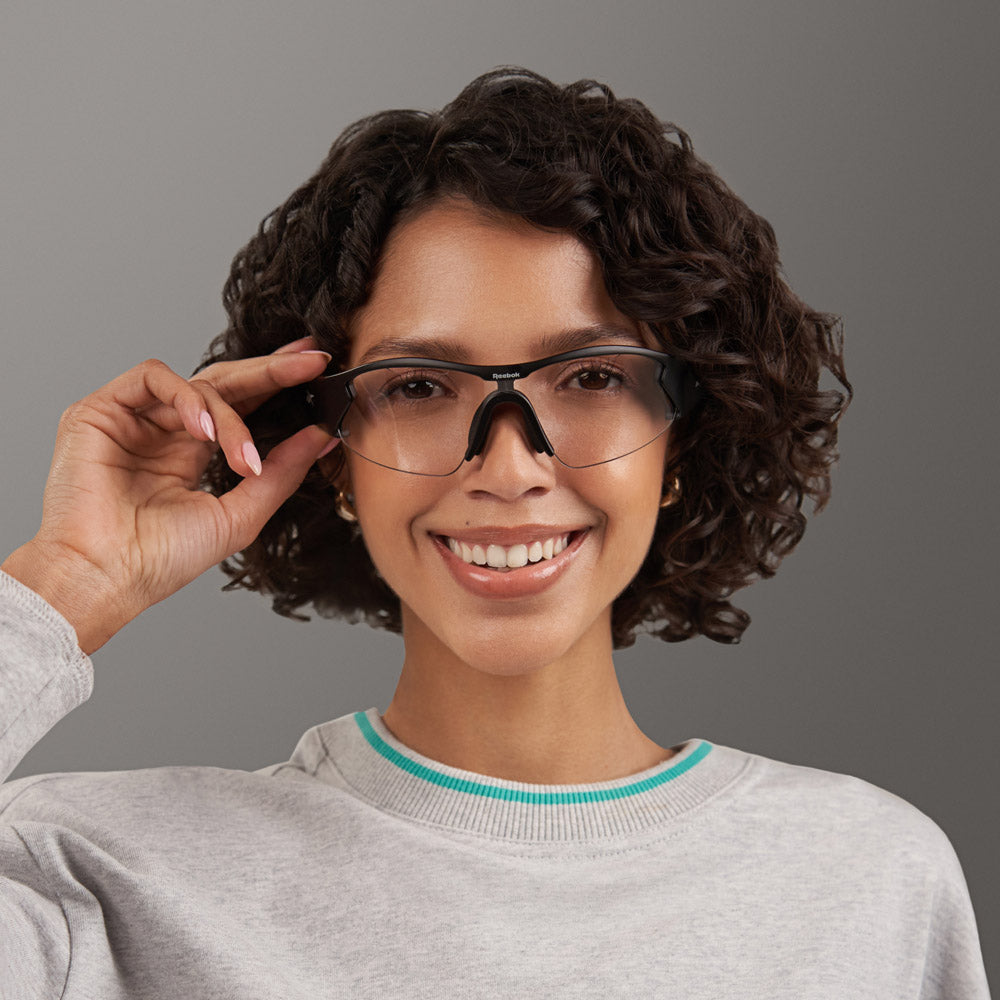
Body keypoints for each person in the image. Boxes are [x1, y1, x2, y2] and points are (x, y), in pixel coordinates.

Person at [0, 67, 989, 998]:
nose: (511, 467)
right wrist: (66, 583)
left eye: (592, 376)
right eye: (421, 385)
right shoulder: (97, 876)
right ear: (332, 452)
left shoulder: (868, 882)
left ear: (682, 437)